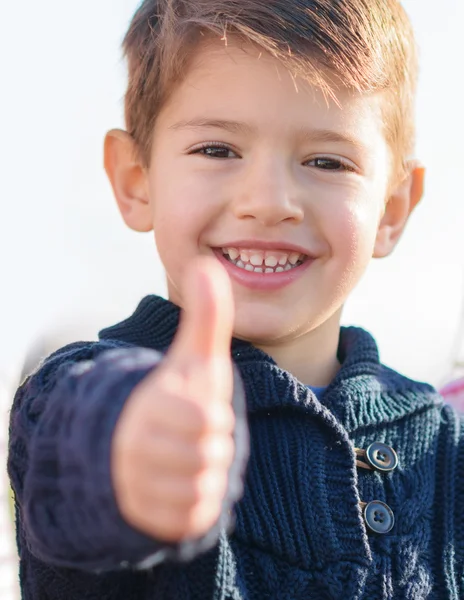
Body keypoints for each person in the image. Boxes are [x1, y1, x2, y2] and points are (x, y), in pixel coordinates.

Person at [7, 1, 460, 598]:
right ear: (135, 178)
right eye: (217, 150)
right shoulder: (80, 388)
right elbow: (73, 445)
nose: (269, 201)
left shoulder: (443, 439)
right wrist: (131, 449)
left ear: (392, 209)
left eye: (327, 161)